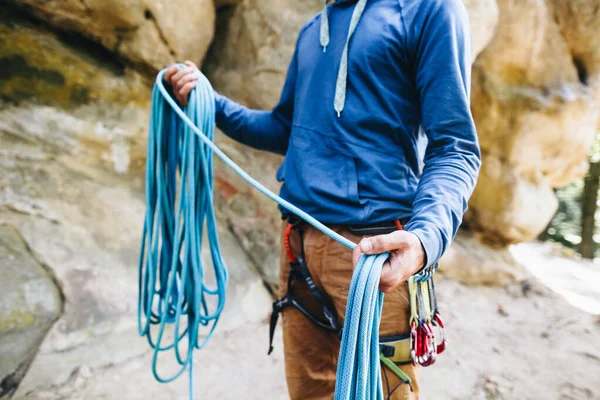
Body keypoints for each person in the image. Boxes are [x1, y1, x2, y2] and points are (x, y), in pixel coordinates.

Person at [164, 0, 480, 398]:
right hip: (297, 247)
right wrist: (210, 102)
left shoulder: (430, 10)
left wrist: (425, 239)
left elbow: (456, 147)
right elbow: (284, 128)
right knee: (309, 393)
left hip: (372, 253)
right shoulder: (315, 28)